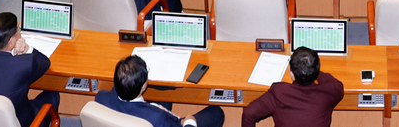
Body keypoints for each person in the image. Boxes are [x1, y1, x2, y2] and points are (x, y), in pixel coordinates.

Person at [0, 12, 57, 124]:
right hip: (20, 122)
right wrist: (26, 49)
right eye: (18, 30)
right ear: (12, 41)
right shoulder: (22, 64)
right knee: (53, 95)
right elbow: (44, 63)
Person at [94, 54, 225, 127]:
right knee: (216, 112)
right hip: (175, 124)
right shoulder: (157, 117)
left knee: (163, 99)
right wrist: (189, 121)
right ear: (144, 85)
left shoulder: (101, 98)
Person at [242, 46, 344, 127]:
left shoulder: (279, 92)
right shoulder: (330, 91)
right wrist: (313, 71)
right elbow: (336, 85)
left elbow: (248, 114)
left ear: (292, 73)